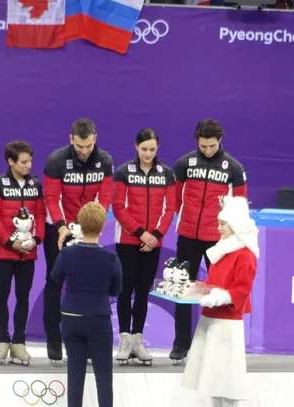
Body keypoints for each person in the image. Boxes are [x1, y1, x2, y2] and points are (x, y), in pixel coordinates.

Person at [182, 195, 259, 407]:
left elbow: (241, 290)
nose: (218, 228)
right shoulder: (221, 251)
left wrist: (218, 298)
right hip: (211, 320)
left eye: (222, 224)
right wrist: (192, 288)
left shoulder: (245, 255)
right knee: (213, 374)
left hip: (228, 322)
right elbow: (214, 285)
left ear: (235, 225)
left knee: (228, 377)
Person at [171, 119, 247, 364]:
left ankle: (214, 345)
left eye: (212, 146)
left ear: (220, 141)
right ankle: (181, 343)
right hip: (188, 235)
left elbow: (240, 206)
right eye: (203, 146)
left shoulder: (233, 168)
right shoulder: (184, 163)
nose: (207, 150)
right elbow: (175, 199)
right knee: (182, 290)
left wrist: (231, 235)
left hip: (217, 240)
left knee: (217, 291)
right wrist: (180, 222)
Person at [51, 202, 125, 407]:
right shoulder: (111, 258)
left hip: (71, 317)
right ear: (103, 226)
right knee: (104, 376)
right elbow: (116, 290)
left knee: (75, 373)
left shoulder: (67, 254)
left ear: (79, 226)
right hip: (98, 319)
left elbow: (55, 280)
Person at [42, 118, 114, 364]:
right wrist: (62, 227)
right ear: (71, 139)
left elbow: (104, 198)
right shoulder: (56, 160)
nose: (84, 151)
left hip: (89, 228)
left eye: (89, 146)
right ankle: (53, 339)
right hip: (59, 228)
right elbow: (51, 198)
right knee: (54, 284)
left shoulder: (104, 160)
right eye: (80, 146)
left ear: (95, 139)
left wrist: (93, 225)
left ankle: (90, 343)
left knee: (90, 284)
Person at [111, 129, 175, 365]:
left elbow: (169, 209)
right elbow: (118, 207)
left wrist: (156, 236)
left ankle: (138, 339)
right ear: (135, 146)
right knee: (125, 290)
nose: (148, 154)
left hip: (153, 244)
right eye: (144, 149)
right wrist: (141, 233)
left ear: (157, 148)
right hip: (128, 242)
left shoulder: (166, 174)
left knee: (143, 292)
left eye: (152, 150)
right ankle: (124, 340)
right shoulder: (123, 172)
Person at [0, 140, 46, 365]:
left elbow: (40, 214)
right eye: (23, 162)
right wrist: (12, 242)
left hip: (28, 253)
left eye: (30, 161)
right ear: (11, 162)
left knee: (23, 296)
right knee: (2, 295)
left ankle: (19, 342)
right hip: (4, 252)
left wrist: (36, 239)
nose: (28, 165)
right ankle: (3, 339)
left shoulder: (35, 184)